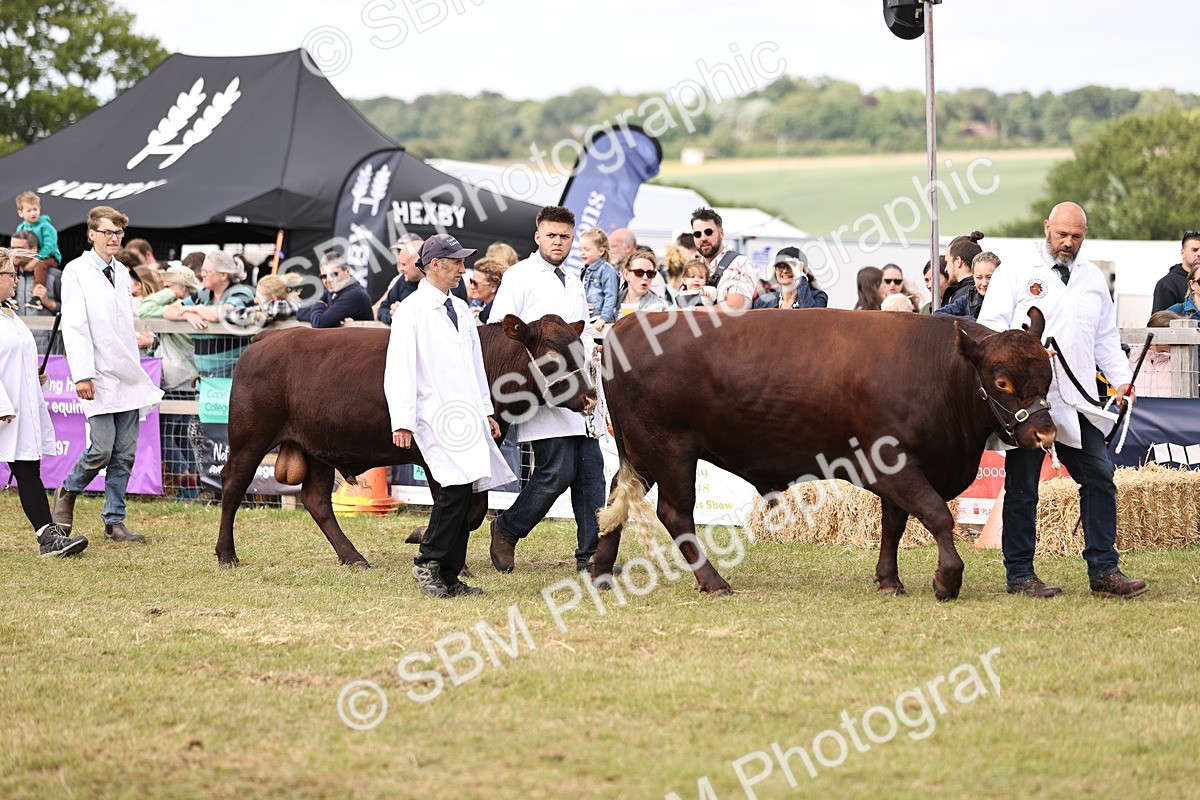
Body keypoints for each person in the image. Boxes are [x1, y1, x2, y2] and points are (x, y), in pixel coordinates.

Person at [977, 201, 1146, 599]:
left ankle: (1104, 571)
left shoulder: (1092, 278)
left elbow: (1104, 338)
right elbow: (989, 331)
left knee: (1100, 477)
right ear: (1046, 228)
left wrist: (1122, 380)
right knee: (1023, 487)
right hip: (1029, 402)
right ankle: (1020, 575)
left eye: (1077, 236)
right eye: (1062, 234)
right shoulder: (1016, 270)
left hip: (1077, 399)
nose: (1068, 242)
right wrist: (1026, 351)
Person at [385, 234, 513, 597]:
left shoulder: (458, 308)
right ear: (435, 265)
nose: (462, 269)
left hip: (465, 414)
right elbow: (399, 368)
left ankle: (449, 575)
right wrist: (402, 420)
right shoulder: (412, 310)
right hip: (432, 412)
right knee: (454, 489)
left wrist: (486, 411)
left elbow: (474, 366)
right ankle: (428, 563)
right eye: (456, 262)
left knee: (464, 490)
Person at [487, 205, 603, 574]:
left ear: (572, 240)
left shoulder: (574, 281)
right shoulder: (519, 275)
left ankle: (591, 557)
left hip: (578, 388)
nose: (558, 242)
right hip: (539, 393)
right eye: (551, 235)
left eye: (565, 236)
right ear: (538, 236)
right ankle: (507, 528)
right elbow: (499, 333)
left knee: (591, 473)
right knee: (557, 472)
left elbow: (580, 335)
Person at [52, 206, 164, 544]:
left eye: (118, 233)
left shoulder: (122, 272)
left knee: (125, 452)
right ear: (92, 234)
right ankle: (68, 490)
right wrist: (82, 374)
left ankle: (114, 521)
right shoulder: (76, 271)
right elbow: (75, 324)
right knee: (101, 448)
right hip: (97, 373)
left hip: (126, 372)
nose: (113, 238)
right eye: (107, 232)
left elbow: (122, 322)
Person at [0, 248, 88, 556]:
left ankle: (47, 537)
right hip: (5, 408)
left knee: (27, 469)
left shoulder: (9, 314)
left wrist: (33, 376)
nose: (17, 280)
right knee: (26, 468)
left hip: (18, 407)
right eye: (11, 275)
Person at [137, 265, 202, 500]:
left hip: (175, 378)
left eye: (168, 285)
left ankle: (188, 482)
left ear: (181, 288)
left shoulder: (179, 309)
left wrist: (172, 293)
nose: (163, 289)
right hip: (189, 379)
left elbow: (145, 308)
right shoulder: (195, 307)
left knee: (163, 435)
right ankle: (194, 484)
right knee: (181, 434)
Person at [163, 251, 255, 378]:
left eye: (207, 272)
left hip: (232, 371)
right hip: (203, 374)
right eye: (202, 271)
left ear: (223, 275)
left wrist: (196, 308)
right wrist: (188, 315)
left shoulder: (242, 292)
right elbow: (168, 311)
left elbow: (220, 313)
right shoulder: (205, 293)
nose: (202, 275)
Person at [8, 231, 62, 352]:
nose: (15, 253)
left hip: (47, 352)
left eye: (20, 249)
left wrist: (49, 303)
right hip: (16, 350)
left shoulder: (55, 276)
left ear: (34, 249)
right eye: (12, 248)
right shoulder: (6, 278)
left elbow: (74, 312)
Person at [690, 208, 754, 311]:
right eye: (697, 234)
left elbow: (735, 307)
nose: (703, 238)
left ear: (721, 233)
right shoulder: (693, 265)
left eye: (708, 232)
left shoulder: (740, 263)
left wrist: (691, 310)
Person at [296, 253, 373, 328]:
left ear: (347, 272)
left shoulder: (354, 295)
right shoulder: (332, 291)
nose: (328, 280)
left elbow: (319, 323)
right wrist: (329, 314)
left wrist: (325, 313)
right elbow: (301, 312)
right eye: (324, 276)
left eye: (334, 274)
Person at [14, 191, 61, 312]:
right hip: (31, 257)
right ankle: (12, 294)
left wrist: (36, 259)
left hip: (49, 257)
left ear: (39, 209)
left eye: (35, 209)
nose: (33, 213)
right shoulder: (21, 228)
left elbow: (50, 246)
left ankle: (36, 295)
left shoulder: (46, 226)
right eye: (29, 210)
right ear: (20, 213)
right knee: (13, 262)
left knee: (40, 265)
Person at [1129, 310, 1181, 398]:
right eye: (1167, 338)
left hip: (1168, 406)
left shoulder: (1178, 361)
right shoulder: (1136, 356)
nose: (1171, 343)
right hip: (1137, 405)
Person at [934, 252, 999, 320]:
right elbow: (938, 314)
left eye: (989, 277)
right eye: (979, 277)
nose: (984, 283)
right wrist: (969, 321)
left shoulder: (1006, 300)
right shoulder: (968, 299)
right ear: (973, 276)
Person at [753, 250, 828, 309]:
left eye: (792, 266)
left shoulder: (818, 297)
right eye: (781, 266)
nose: (785, 270)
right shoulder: (764, 301)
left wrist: (800, 277)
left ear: (803, 271)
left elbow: (810, 317)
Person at [579, 228, 619, 333]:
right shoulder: (584, 271)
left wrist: (603, 318)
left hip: (599, 320)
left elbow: (610, 296)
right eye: (580, 249)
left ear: (601, 251)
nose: (582, 253)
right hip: (587, 319)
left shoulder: (607, 270)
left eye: (586, 249)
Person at [1152, 231, 1200, 313]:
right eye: (1194, 250)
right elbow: (1160, 319)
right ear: (1183, 252)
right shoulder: (1167, 283)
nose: (1199, 253)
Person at [617, 248, 670, 316]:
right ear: (626, 274)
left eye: (650, 273)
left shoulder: (658, 306)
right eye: (639, 272)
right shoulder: (612, 301)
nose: (645, 277)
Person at [942, 231, 985, 306]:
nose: (946, 269)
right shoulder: (984, 291)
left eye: (947, 262)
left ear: (958, 261)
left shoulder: (962, 297)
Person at [467, 257, 505, 324]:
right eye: (471, 281)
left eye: (476, 283)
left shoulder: (501, 313)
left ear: (493, 287)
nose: (472, 286)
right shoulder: (474, 307)